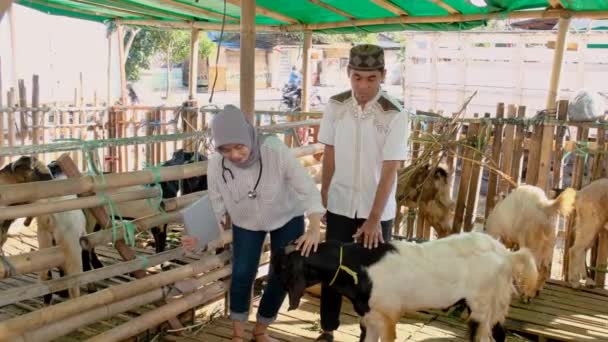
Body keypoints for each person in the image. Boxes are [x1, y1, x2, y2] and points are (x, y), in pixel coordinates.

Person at [182, 104, 324, 342]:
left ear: (249, 135)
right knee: (241, 273)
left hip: (287, 216)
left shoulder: (273, 149)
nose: (235, 155)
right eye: (226, 149)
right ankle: (237, 335)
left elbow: (305, 187)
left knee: (281, 274)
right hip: (245, 221)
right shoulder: (217, 164)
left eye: (239, 146)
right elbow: (216, 204)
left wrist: (314, 225)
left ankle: (261, 331)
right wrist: (199, 237)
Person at [315, 44, 410, 342]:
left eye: (371, 78)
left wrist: (373, 219)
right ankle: (327, 330)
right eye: (357, 77)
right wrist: (325, 193)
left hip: (376, 210)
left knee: (372, 277)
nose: (363, 86)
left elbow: (390, 168)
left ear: (383, 75)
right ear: (349, 74)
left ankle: (366, 335)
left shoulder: (394, 113)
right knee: (332, 269)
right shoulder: (335, 105)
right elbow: (328, 151)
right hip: (341, 204)